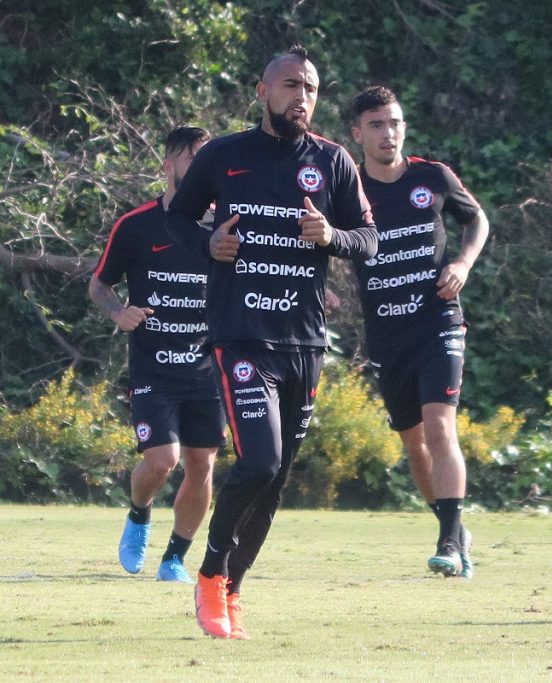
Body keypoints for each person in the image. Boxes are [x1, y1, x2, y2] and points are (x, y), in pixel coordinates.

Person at [166, 45, 377, 639]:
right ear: (263, 92)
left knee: (277, 476)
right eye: (289, 85)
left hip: (303, 340)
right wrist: (209, 245)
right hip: (241, 336)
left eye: (309, 87)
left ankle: (234, 586)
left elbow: (369, 240)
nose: (301, 96)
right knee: (257, 460)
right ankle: (209, 575)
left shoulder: (333, 162)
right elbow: (179, 220)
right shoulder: (226, 155)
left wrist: (332, 235)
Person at [350, 86, 490, 579]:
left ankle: (448, 543)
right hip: (387, 334)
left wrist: (463, 263)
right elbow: (323, 240)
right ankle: (454, 530)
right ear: (357, 133)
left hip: (438, 321)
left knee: (440, 425)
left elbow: (478, 221)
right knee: (414, 444)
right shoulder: (348, 188)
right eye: (376, 125)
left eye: (395, 123)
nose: (389, 133)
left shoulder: (432, 177)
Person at [89, 126, 225, 585]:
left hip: (207, 367)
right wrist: (119, 312)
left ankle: (175, 560)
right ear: (169, 166)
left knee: (203, 464)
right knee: (162, 459)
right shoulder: (136, 225)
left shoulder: (223, 224)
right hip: (154, 366)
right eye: (193, 159)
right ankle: (139, 514)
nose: (201, 170)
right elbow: (100, 283)